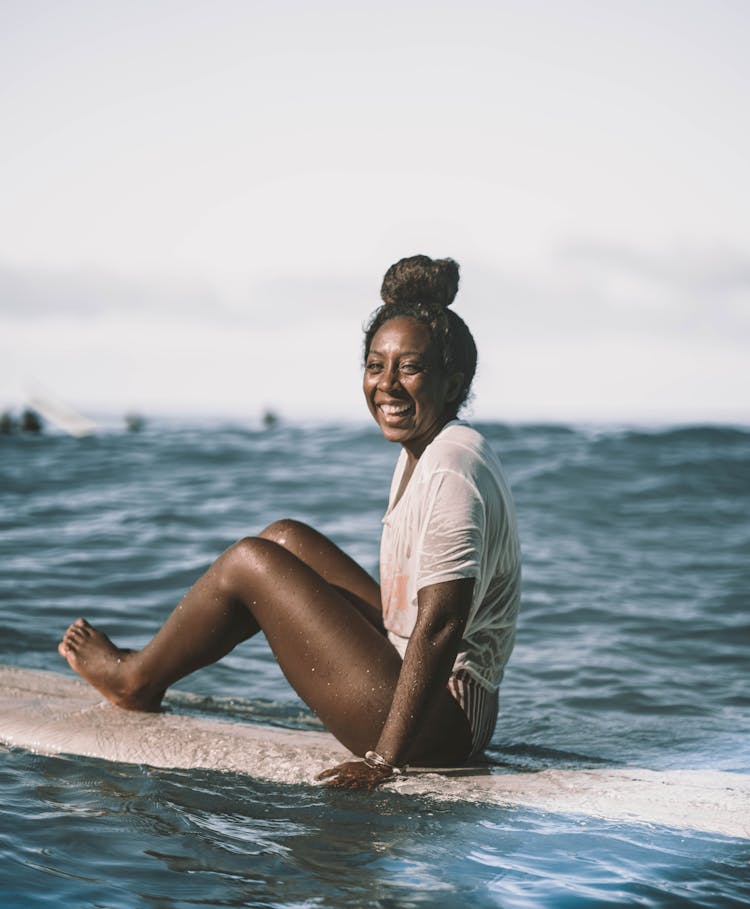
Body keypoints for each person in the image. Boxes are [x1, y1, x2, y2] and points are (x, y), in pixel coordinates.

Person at [58, 255, 521, 790]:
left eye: (410, 368)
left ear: (452, 382)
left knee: (249, 564)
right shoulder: (424, 448)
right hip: (421, 684)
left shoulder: (452, 464)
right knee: (283, 539)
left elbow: (441, 625)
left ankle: (135, 680)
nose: (387, 385)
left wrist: (383, 762)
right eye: (376, 366)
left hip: (445, 722)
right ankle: (148, 672)